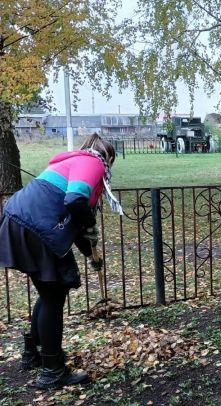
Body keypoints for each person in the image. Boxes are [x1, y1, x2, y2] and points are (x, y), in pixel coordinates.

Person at [0, 133, 124, 388]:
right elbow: (76, 200)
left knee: (48, 293)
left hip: (20, 222)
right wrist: (91, 226)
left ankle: (33, 353)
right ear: (108, 158)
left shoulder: (70, 161)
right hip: (39, 226)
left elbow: (74, 219)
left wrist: (92, 254)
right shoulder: (92, 162)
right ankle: (52, 371)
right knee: (54, 296)